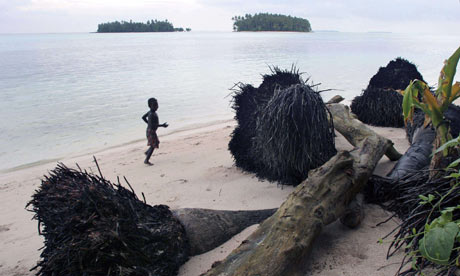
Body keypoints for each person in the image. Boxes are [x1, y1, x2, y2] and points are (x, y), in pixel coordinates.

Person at [142, 98, 168, 165]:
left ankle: (147, 152)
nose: (157, 107)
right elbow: (153, 125)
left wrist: (148, 123)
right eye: (155, 105)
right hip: (151, 132)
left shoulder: (151, 112)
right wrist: (162, 125)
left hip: (151, 131)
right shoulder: (151, 114)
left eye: (157, 105)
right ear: (150, 106)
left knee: (156, 143)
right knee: (153, 145)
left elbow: (143, 117)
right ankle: (146, 160)